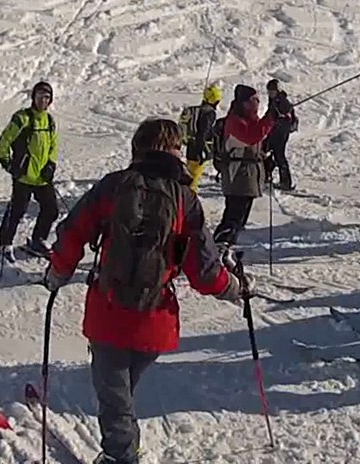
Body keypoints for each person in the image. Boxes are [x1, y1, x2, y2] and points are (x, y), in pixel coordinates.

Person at [42, 118, 248, 464]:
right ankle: (124, 448)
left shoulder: (113, 187)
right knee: (122, 396)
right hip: (156, 320)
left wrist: (56, 275)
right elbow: (205, 271)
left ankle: (120, 456)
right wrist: (235, 289)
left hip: (108, 315)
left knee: (115, 401)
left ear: (137, 149)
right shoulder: (186, 200)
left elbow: (73, 233)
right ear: (176, 152)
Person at [212, 84, 279, 263]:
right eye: (253, 100)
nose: (257, 103)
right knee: (233, 217)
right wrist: (270, 118)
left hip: (248, 177)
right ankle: (217, 249)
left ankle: (224, 249)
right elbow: (251, 136)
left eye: (258, 99)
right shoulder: (235, 120)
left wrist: (264, 160)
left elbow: (256, 139)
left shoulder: (251, 119)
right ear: (244, 103)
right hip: (238, 177)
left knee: (239, 220)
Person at [0, 81, 60, 261]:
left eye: (47, 97)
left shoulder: (49, 121)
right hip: (23, 176)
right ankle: (5, 244)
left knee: (51, 209)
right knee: (17, 211)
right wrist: (7, 163)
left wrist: (51, 164)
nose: (43, 101)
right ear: (33, 97)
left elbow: (53, 145)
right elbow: (4, 141)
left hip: (42, 177)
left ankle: (38, 240)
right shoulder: (22, 118)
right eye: (40, 96)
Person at [180, 84, 222, 192]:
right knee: (194, 178)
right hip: (200, 149)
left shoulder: (196, 111)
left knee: (189, 174)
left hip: (191, 146)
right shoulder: (209, 113)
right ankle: (188, 200)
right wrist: (201, 151)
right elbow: (203, 132)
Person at [262, 79, 298, 191]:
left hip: (281, 133)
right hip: (273, 132)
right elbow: (269, 115)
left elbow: (287, 111)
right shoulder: (272, 101)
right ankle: (265, 175)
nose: (270, 94)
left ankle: (286, 182)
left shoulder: (282, 101)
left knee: (279, 156)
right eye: (269, 92)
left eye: (272, 91)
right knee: (263, 150)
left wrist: (282, 112)